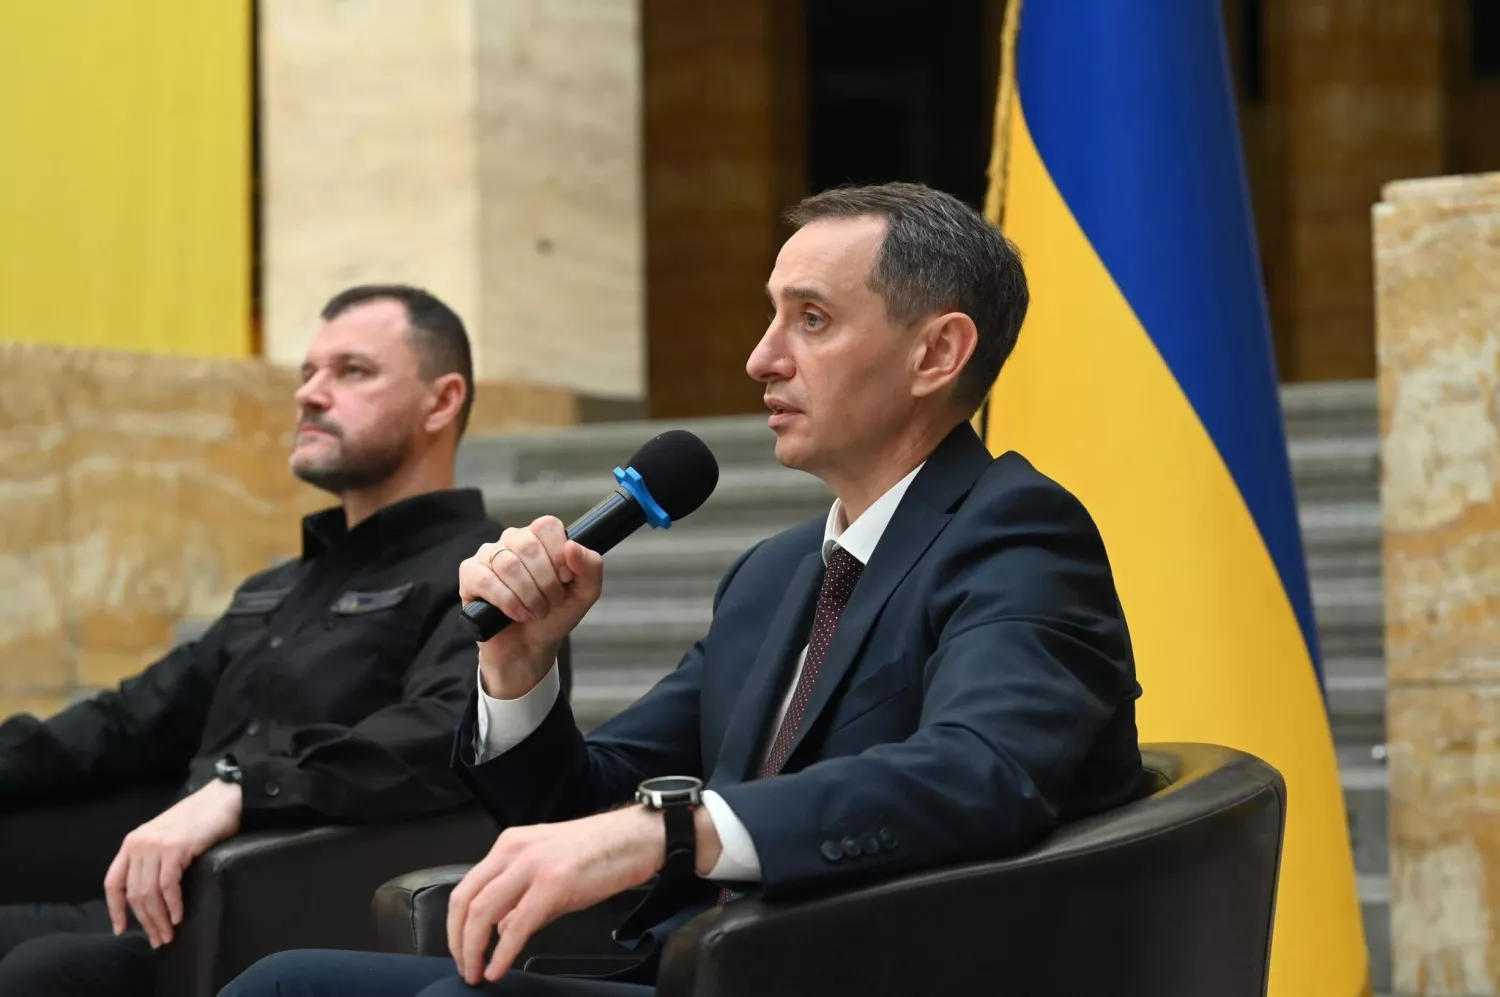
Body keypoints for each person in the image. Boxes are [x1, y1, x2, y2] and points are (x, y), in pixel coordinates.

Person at [225, 182, 1150, 997]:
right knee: (283, 983)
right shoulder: (775, 574)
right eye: (771, 316)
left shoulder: (1017, 531)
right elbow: (579, 808)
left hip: (856, 971)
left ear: (937, 353)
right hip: (699, 965)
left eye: (811, 320)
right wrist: (519, 667)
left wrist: (673, 829)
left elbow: (981, 770)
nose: (761, 358)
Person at [0, 285, 504, 996]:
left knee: (41, 973)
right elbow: (129, 719)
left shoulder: (487, 571)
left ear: (441, 401)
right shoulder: (280, 587)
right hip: (152, 902)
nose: (309, 394)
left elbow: (445, 734)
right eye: (308, 372)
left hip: (277, 917)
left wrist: (246, 788)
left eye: (351, 371)